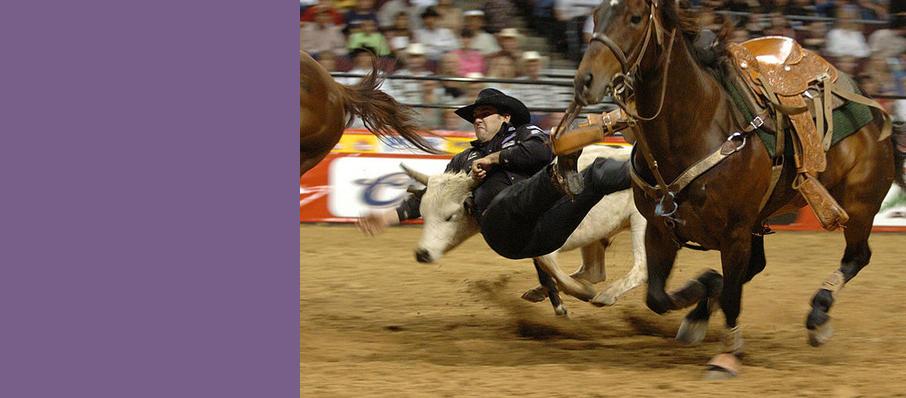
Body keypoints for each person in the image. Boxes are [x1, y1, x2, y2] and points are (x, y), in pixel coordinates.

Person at [358, 88, 631, 260]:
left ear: (506, 117)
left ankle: (648, 175)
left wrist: (495, 158)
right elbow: (435, 196)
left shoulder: (527, 135)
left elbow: (540, 153)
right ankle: (567, 159)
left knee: (595, 174)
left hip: (549, 231)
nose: (477, 119)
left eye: (485, 113)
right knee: (511, 196)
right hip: (504, 229)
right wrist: (388, 215)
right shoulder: (464, 158)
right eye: (475, 115)